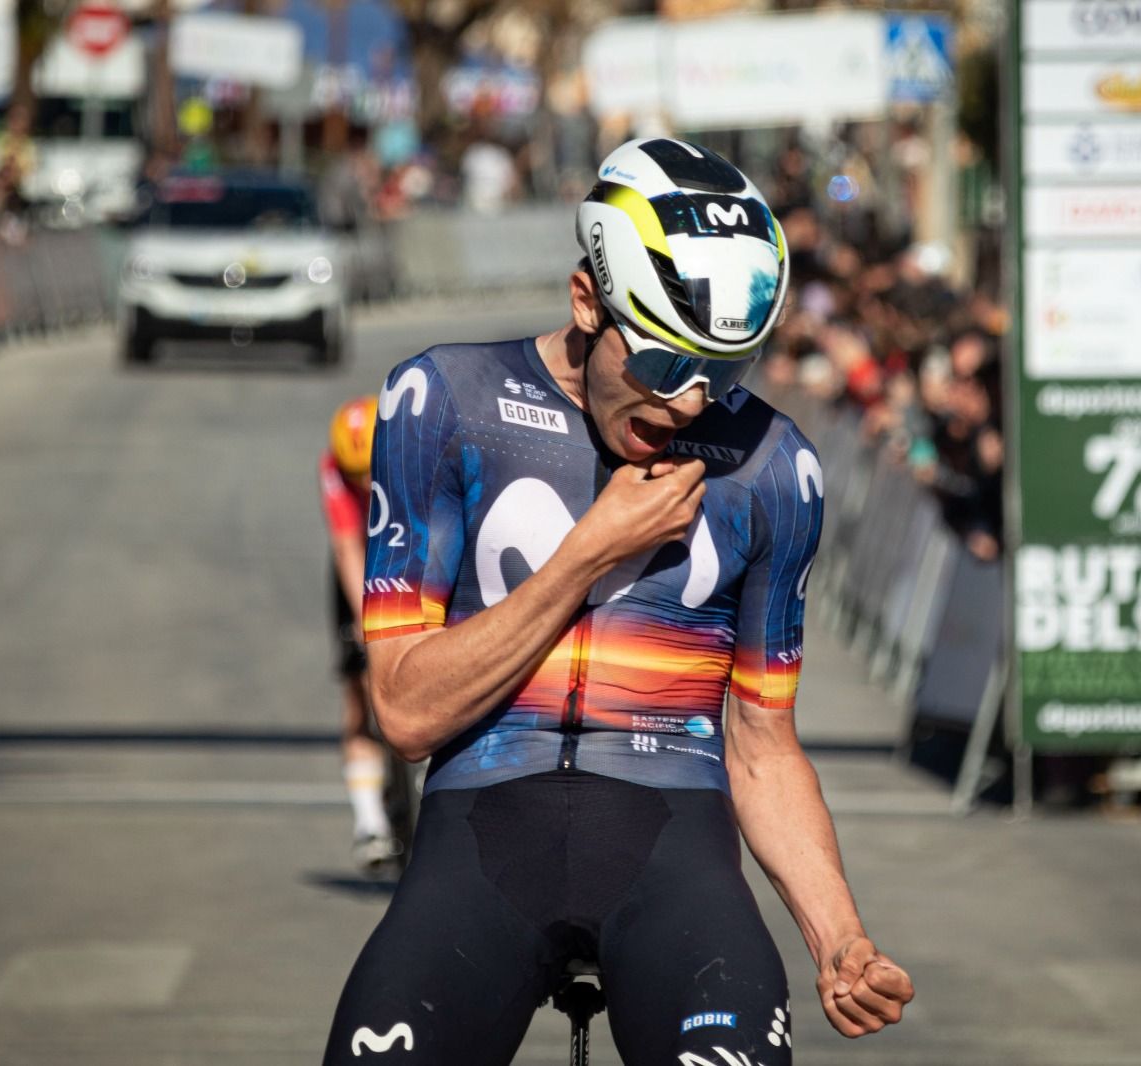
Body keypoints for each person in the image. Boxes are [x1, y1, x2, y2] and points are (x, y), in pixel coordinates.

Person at [324, 138, 912, 1065]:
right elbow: (403, 709)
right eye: (664, 363)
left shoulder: (773, 465)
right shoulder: (444, 401)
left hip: (673, 844)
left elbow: (763, 747)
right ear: (586, 300)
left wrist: (839, 937)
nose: (689, 403)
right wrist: (589, 552)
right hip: (480, 836)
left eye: (722, 372)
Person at [319, 396, 400, 872]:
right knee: (357, 689)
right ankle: (369, 822)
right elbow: (348, 549)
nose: (367, 485)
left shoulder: (414, 449)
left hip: (407, 541)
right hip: (363, 555)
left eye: (371, 471)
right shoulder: (332, 466)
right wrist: (367, 625)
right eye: (356, 477)